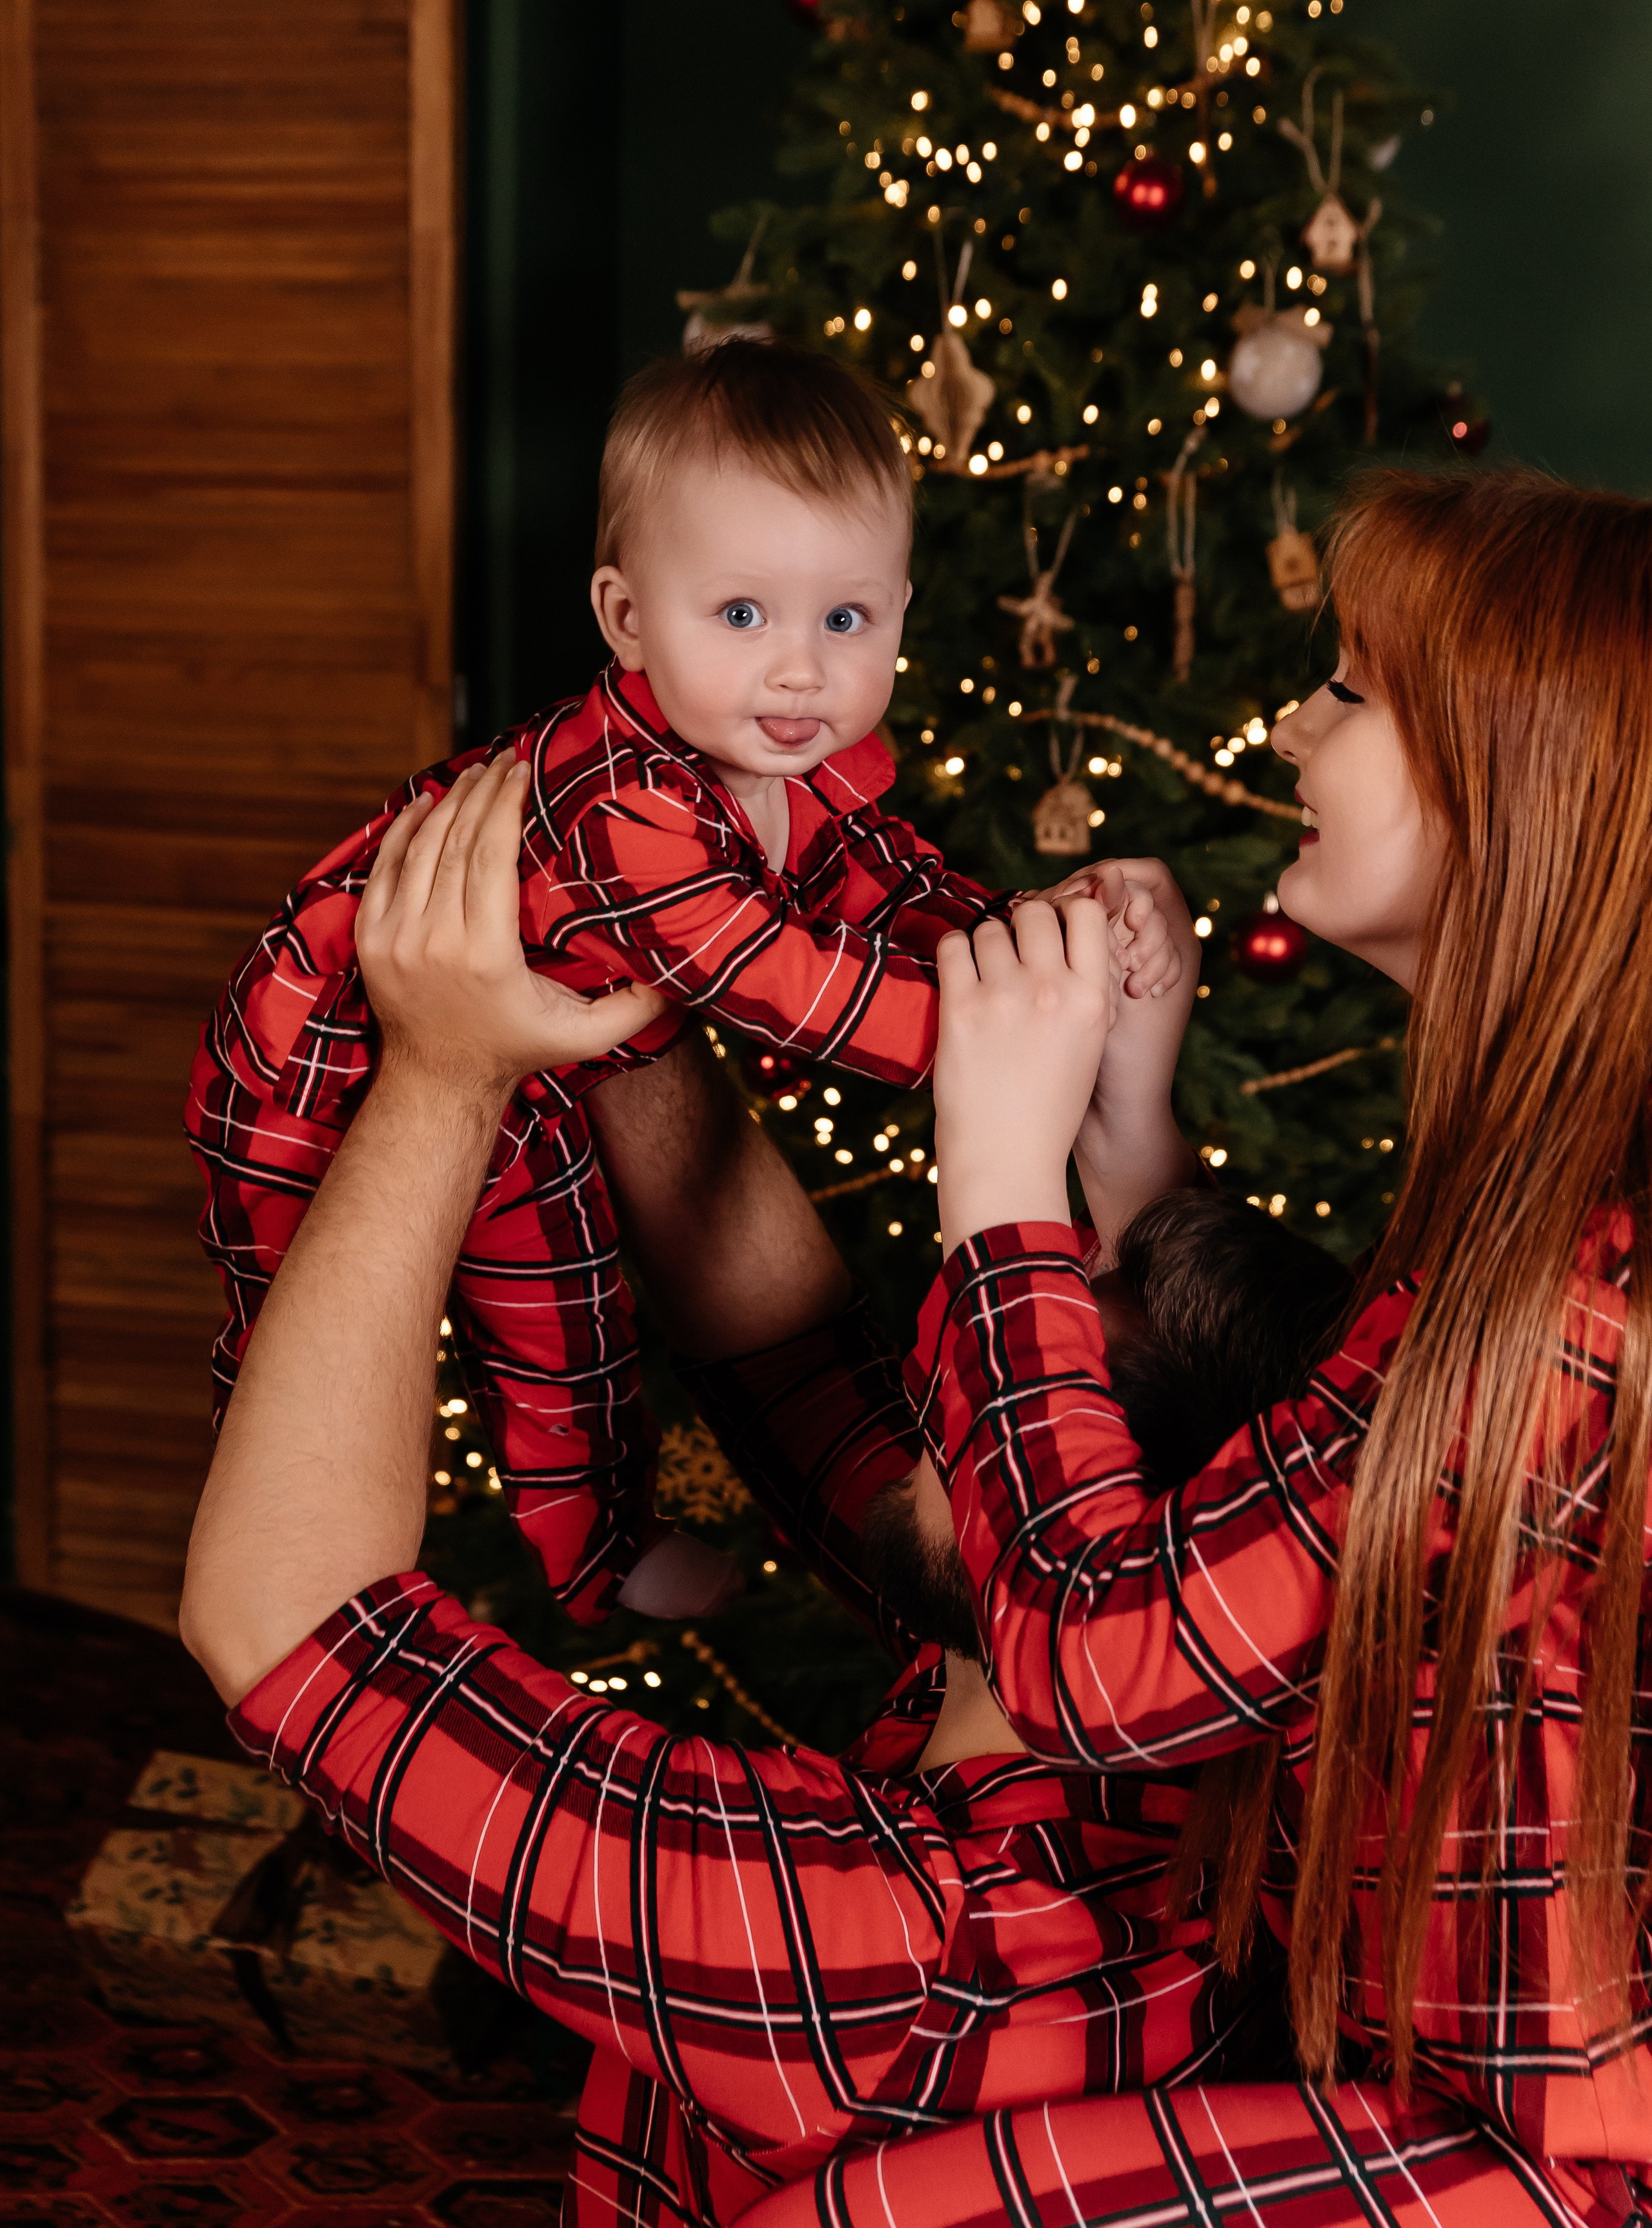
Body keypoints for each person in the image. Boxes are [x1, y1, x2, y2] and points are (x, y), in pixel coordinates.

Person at [180, 754, 1276, 2228]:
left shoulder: (897, 1943)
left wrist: (448, 1071)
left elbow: (286, 1621)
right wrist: (619, 987)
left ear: (1089, 1523)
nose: (950, 1364)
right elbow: (797, 1371)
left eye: (1002, 1380)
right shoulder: (1156, 1710)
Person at [772, 469, 1652, 2228]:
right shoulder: (1546, 1211)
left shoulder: (1581, 1301)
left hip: (1552, 2157)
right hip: (1420, 2068)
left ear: (1510, 777)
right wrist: (1131, 1135)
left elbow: (1098, 1665)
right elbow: (1347, 1473)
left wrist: (1006, 1186)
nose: (1291, 725)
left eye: (1349, 692)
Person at [184, 340, 1173, 1630]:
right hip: (313, 1055)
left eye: (845, 619)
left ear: (897, 610)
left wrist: (1032, 938)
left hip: (533, 1060)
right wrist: (1015, 1034)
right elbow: (785, 985)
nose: (798, 670)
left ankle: (593, 1563)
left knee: (569, 1310)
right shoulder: (628, 803)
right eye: (743, 615)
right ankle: (362, 1556)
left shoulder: (799, 762)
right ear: (625, 617)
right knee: (311, 1339)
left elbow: (893, 887)